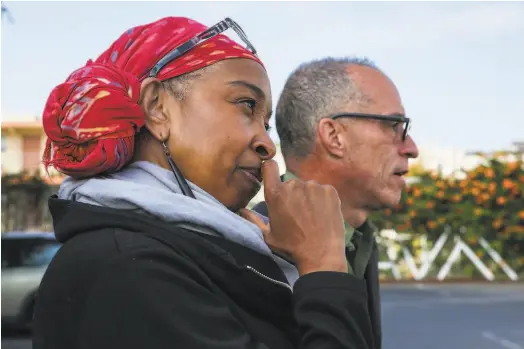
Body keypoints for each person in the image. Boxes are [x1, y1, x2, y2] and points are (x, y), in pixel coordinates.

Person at [33, 17, 376, 349]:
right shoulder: (127, 268)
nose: (267, 144)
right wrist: (324, 267)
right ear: (157, 109)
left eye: (267, 123)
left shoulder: (187, 249)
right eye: (247, 105)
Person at [252, 57, 420, 349]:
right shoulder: (250, 253)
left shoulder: (358, 239)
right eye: (394, 125)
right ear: (333, 136)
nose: (411, 148)